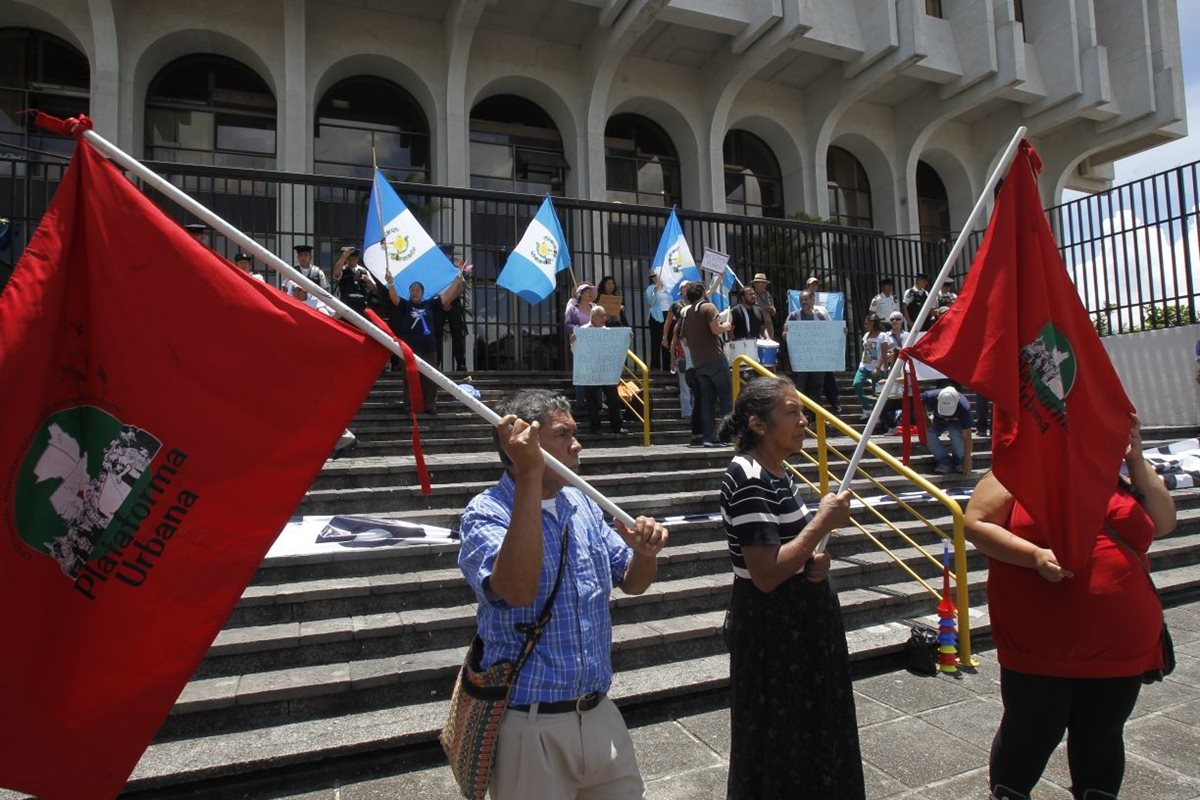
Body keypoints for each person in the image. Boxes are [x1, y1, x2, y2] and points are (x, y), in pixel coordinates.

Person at [457, 389, 668, 800]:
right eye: (563, 434)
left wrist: (645, 554)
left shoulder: (582, 503)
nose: (577, 443)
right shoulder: (486, 512)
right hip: (531, 726)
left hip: (599, 712)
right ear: (526, 441)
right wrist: (530, 474)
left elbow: (632, 580)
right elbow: (517, 590)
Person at [965, 413, 1176, 800]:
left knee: (1103, 732)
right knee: (1031, 731)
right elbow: (976, 524)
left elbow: (1163, 523)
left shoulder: (1121, 476)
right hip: (1042, 640)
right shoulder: (1019, 468)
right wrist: (1034, 556)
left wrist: (1134, 458)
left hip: (1120, 643)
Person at [718, 376, 865, 800]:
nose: (804, 421)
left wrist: (813, 561)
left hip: (801, 633)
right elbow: (764, 573)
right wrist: (822, 522)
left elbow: (788, 549)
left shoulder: (778, 472)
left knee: (812, 738)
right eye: (792, 412)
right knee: (781, 743)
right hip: (775, 638)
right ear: (759, 424)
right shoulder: (747, 477)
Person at [385, 270, 463, 415]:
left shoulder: (429, 304)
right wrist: (390, 283)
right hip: (409, 348)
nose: (415, 292)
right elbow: (394, 299)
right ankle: (410, 406)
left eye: (417, 290)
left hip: (428, 347)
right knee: (409, 377)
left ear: (422, 292)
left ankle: (430, 405)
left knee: (429, 377)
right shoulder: (405, 305)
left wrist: (456, 282)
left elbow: (446, 298)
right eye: (412, 290)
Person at [680, 281, 733, 447]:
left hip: (699, 363)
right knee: (726, 400)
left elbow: (685, 340)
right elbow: (715, 329)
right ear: (703, 292)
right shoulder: (709, 308)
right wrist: (727, 325)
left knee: (706, 402)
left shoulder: (687, 314)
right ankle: (727, 436)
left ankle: (709, 438)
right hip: (716, 359)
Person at [572, 305, 627, 435]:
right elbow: (577, 352)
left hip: (607, 371)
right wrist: (573, 342)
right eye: (601, 315)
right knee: (592, 401)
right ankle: (595, 427)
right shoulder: (582, 331)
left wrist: (626, 338)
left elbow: (616, 347)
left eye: (605, 315)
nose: (604, 318)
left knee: (613, 399)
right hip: (591, 371)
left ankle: (617, 426)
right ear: (593, 317)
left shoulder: (607, 331)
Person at [784, 290, 840, 414]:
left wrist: (841, 333)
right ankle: (801, 416)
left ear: (812, 300)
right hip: (800, 362)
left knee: (816, 390)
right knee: (800, 389)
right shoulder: (793, 316)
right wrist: (786, 333)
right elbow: (784, 336)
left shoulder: (820, 316)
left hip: (817, 361)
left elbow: (829, 334)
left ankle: (814, 418)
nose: (803, 302)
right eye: (801, 300)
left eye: (806, 299)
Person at [919, 386, 973, 474]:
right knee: (928, 434)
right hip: (938, 420)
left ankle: (959, 461)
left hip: (956, 422)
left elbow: (967, 436)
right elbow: (917, 401)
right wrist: (925, 418)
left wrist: (967, 460)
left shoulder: (964, 407)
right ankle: (944, 462)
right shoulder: (930, 396)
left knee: (955, 433)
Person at [433, 245, 470, 371]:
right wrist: (443, 303)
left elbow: (461, 287)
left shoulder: (455, 270)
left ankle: (461, 363)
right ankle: (435, 363)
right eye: (445, 254)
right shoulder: (434, 271)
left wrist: (448, 301)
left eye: (449, 254)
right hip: (438, 303)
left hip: (453, 303)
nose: (448, 256)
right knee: (436, 333)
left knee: (457, 333)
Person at [852, 313, 885, 412]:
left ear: (872, 323)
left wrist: (878, 367)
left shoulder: (882, 335)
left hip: (876, 367)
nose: (865, 325)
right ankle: (866, 407)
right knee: (856, 384)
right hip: (864, 365)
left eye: (867, 323)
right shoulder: (866, 335)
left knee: (876, 392)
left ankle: (876, 412)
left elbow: (883, 353)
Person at [331, 245, 377, 315]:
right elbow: (336, 273)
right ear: (346, 259)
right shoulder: (342, 269)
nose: (352, 261)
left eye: (354, 259)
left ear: (357, 259)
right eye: (349, 259)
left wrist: (368, 281)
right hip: (345, 305)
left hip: (361, 306)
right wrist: (343, 256)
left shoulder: (364, 271)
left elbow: (374, 290)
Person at [644, 271, 672, 371]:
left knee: (667, 341)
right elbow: (651, 302)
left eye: (655, 276)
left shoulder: (667, 288)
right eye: (652, 277)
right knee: (656, 342)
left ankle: (667, 367)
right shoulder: (650, 289)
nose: (654, 278)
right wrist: (655, 292)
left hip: (668, 316)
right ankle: (655, 367)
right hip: (656, 317)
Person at [750, 273, 776, 340]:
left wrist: (772, 310)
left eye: (765, 283)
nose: (764, 285)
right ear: (755, 284)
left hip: (767, 324)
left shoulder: (767, 294)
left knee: (769, 343)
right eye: (762, 283)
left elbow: (773, 310)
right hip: (756, 324)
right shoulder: (751, 294)